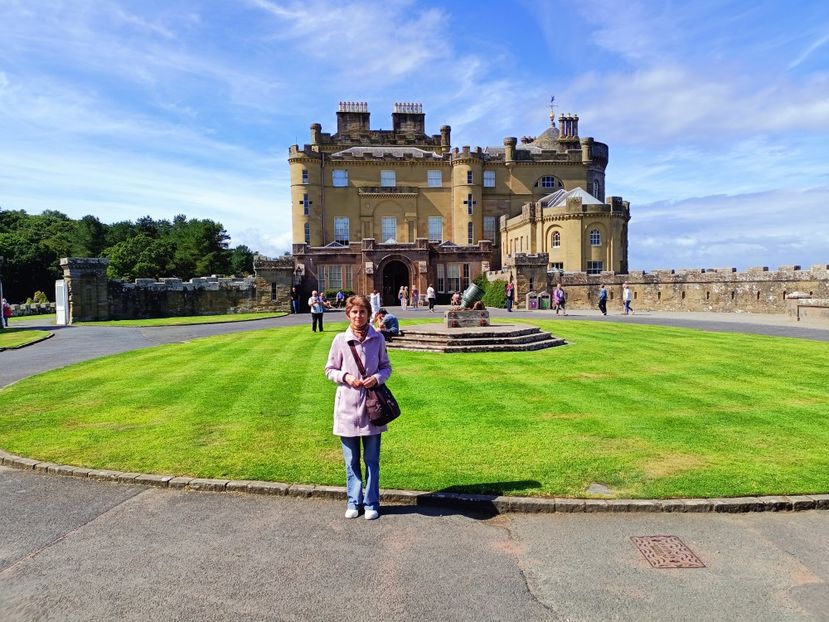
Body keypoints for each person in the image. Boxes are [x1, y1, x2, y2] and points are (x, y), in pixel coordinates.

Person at [325, 295, 392, 520]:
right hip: (347, 407)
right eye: (354, 312)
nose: (358, 316)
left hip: (372, 408)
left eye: (362, 312)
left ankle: (371, 503)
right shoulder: (340, 340)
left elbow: (386, 367)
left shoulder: (378, 338)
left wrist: (376, 378)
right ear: (348, 314)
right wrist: (346, 377)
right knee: (351, 460)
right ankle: (354, 501)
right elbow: (329, 369)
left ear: (368, 314)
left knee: (371, 460)